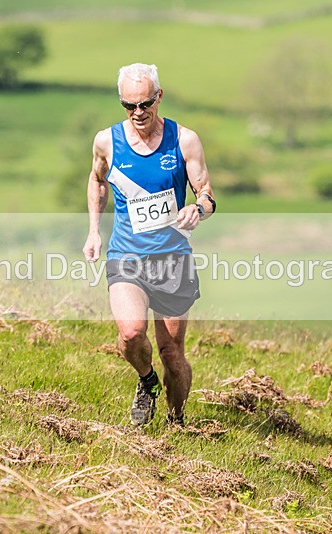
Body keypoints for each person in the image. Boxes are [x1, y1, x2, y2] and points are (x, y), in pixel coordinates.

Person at [82, 63, 216, 427]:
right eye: (129, 105)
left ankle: (176, 421)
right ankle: (146, 380)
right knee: (130, 334)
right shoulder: (106, 141)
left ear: (159, 97)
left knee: (172, 353)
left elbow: (206, 194)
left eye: (145, 103)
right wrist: (94, 230)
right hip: (126, 256)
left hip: (173, 260)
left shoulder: (184, 140)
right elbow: (97, 181)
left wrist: (197, 209)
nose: (138, 112)